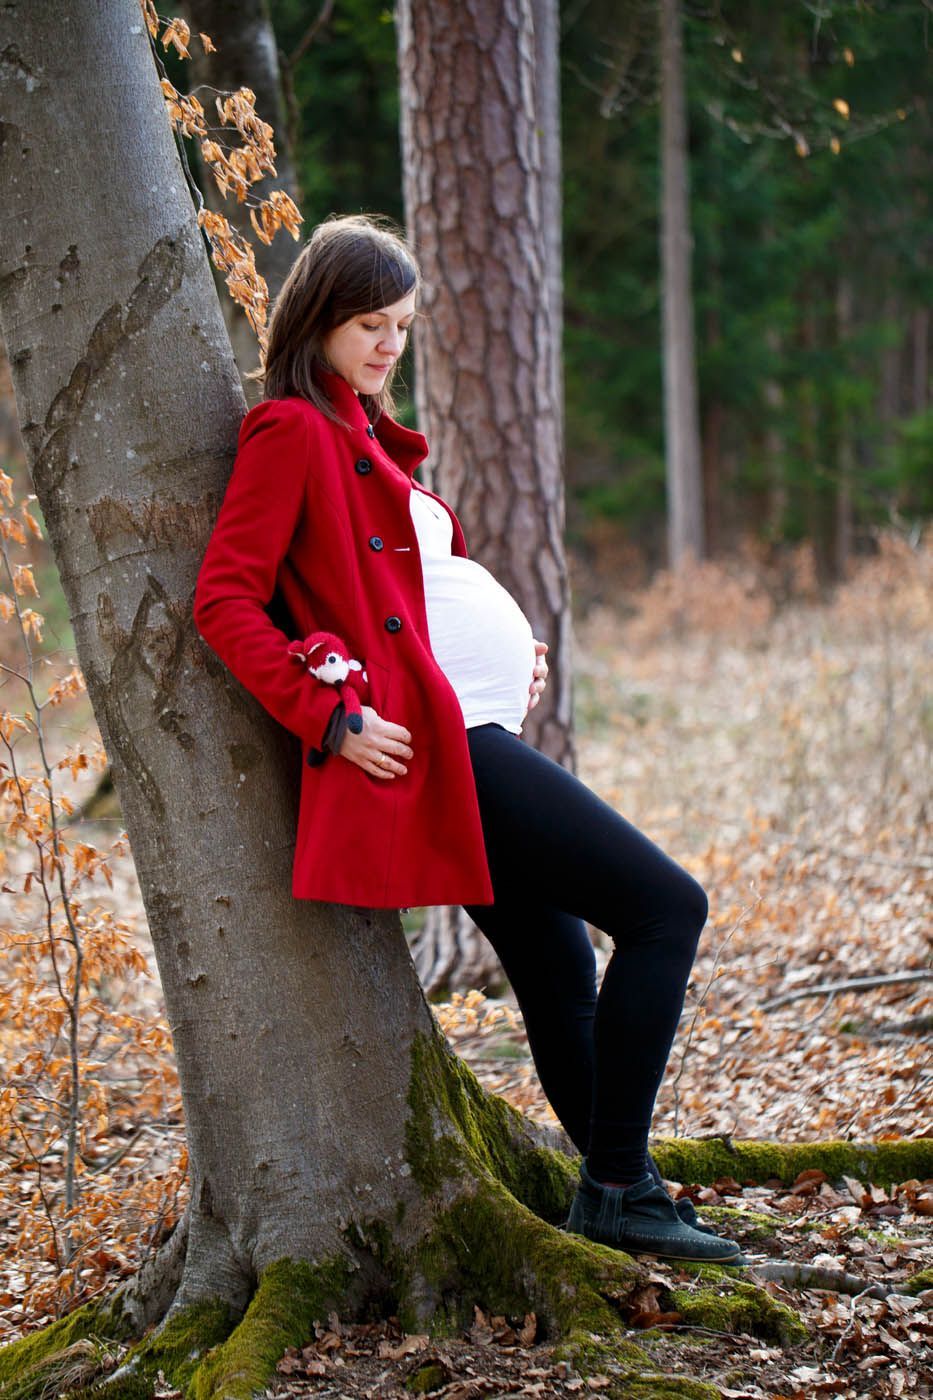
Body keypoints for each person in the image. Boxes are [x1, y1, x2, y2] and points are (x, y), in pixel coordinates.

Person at [193, 213, 746, 1266]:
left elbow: (407, 590)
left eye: (402, 324)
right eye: (368, 322)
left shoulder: (359, 429)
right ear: (315, 319)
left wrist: (507, 645)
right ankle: (621, 1186)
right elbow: (226, 599)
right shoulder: (293, 431)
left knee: (553, 965)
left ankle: (623, 1186)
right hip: (434, 752)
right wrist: (332, 715)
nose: (390, 343)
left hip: (473, 722)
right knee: (667, 906)